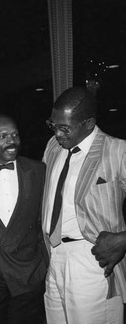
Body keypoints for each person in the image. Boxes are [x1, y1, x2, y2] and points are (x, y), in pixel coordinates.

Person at [42, 86, 126, 323]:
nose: (57, 134)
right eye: (53, 125)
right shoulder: (53, 147)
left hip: (92, 258)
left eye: (64, 128)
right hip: (54, 256)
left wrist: (123, 239)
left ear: (88, 123)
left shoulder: (117, 151)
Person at [0, 114, 47, 324]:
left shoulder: (38, 170)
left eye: (15, 135)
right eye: (3, 136)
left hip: (28, 274)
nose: (11, 140)